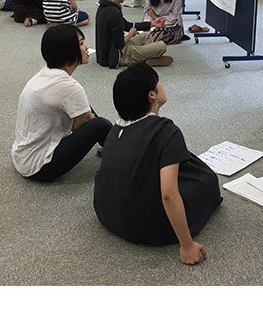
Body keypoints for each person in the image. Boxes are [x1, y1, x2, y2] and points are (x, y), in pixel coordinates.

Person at [94, 64, 222, 264]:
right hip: (148, 226)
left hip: (107, 213)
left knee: (183, 163)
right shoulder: (166, 131)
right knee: (206, 180)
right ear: (152, 95)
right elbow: (168, 194)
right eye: (158, 82)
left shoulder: (114, 130)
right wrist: (187, 244)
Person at [12, 25, 113, 182]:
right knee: (100, 125)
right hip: (40, 167)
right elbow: (80, 126)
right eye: (81, 43)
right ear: (68, 51)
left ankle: (111, 144)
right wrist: (86, 120)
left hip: (22, 156)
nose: (87, 47)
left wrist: (85, 118)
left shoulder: (45, 73)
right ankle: (121, 150)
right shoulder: (70, 87)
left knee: (86, 109)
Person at [95, 0, 172, 68]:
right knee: (162, 46)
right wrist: (131, 34)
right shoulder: (114, 12)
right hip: (116, 56)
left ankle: (147, 57)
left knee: (147, 35)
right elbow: (120, 44)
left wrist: (152, 24)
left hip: (106, 52)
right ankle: (147, 58)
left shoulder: (104, 6)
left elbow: (127, 25)